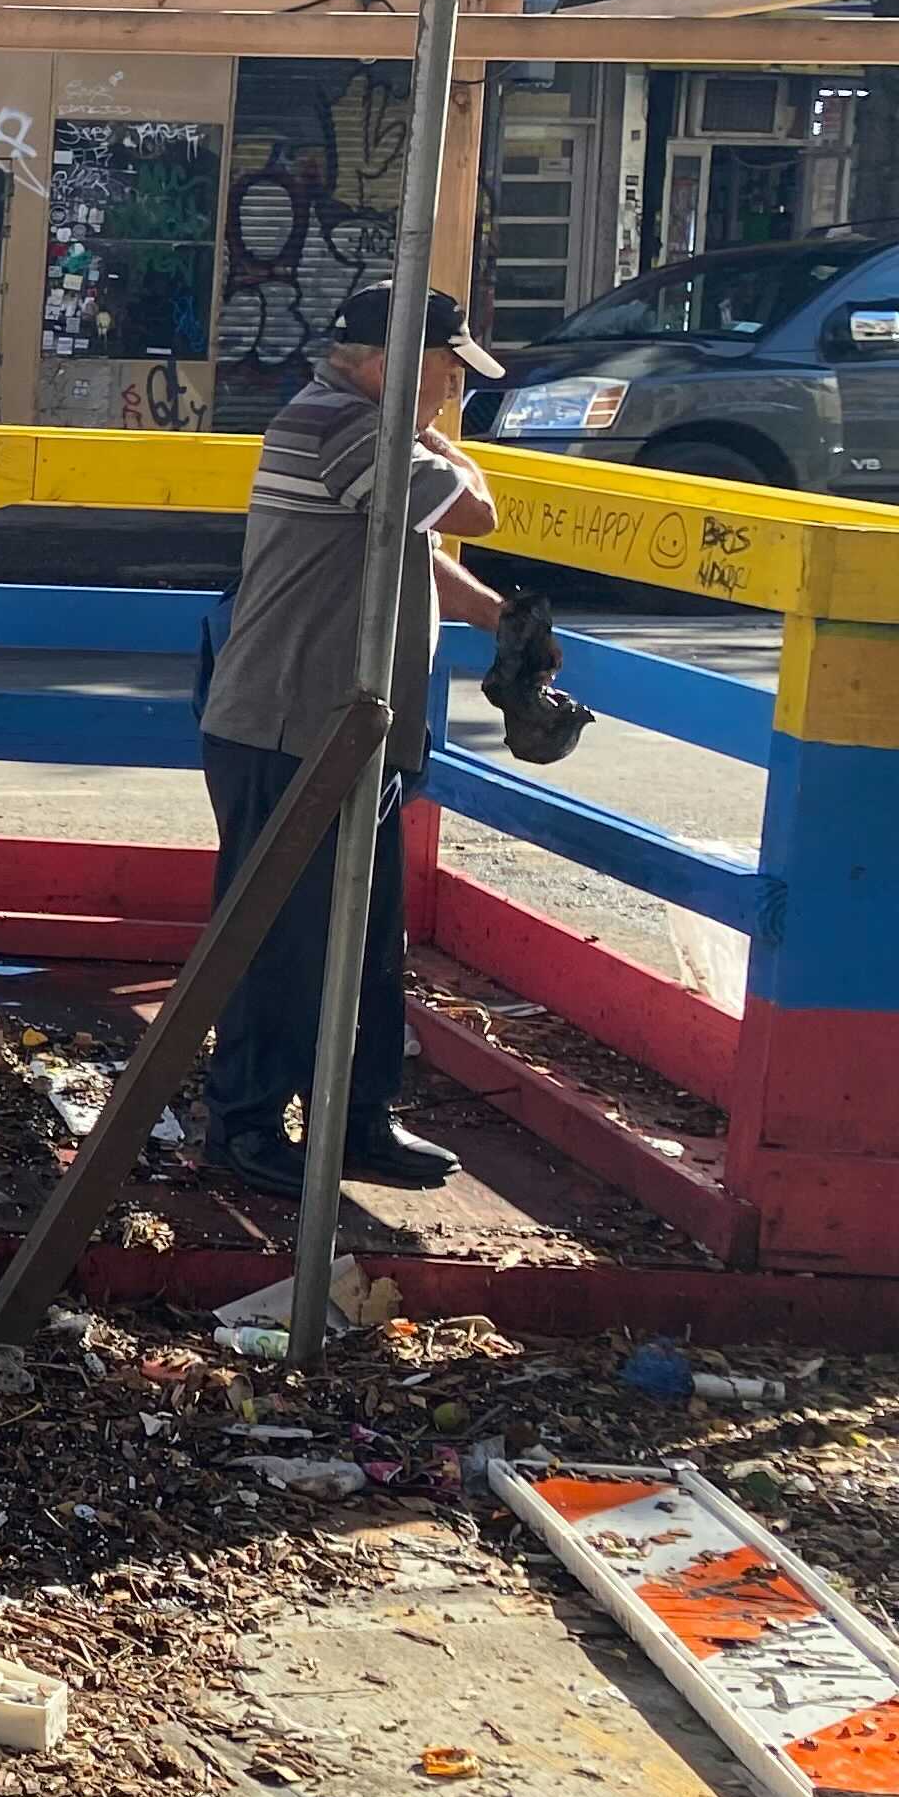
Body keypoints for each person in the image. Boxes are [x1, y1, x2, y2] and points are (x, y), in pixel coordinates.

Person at [197, 282, 508, 1200]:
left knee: (369, 935)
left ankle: (358, 1116)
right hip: (290, 725)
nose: (452, 396)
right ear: (394, 364)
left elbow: (409, 549)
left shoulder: (362, 434)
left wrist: (501, 615)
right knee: (281, 938)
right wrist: (435, 437)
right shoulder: (344, 427)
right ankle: (246, 1125)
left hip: (344, 728)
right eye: (446, 374)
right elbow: (475, 514)